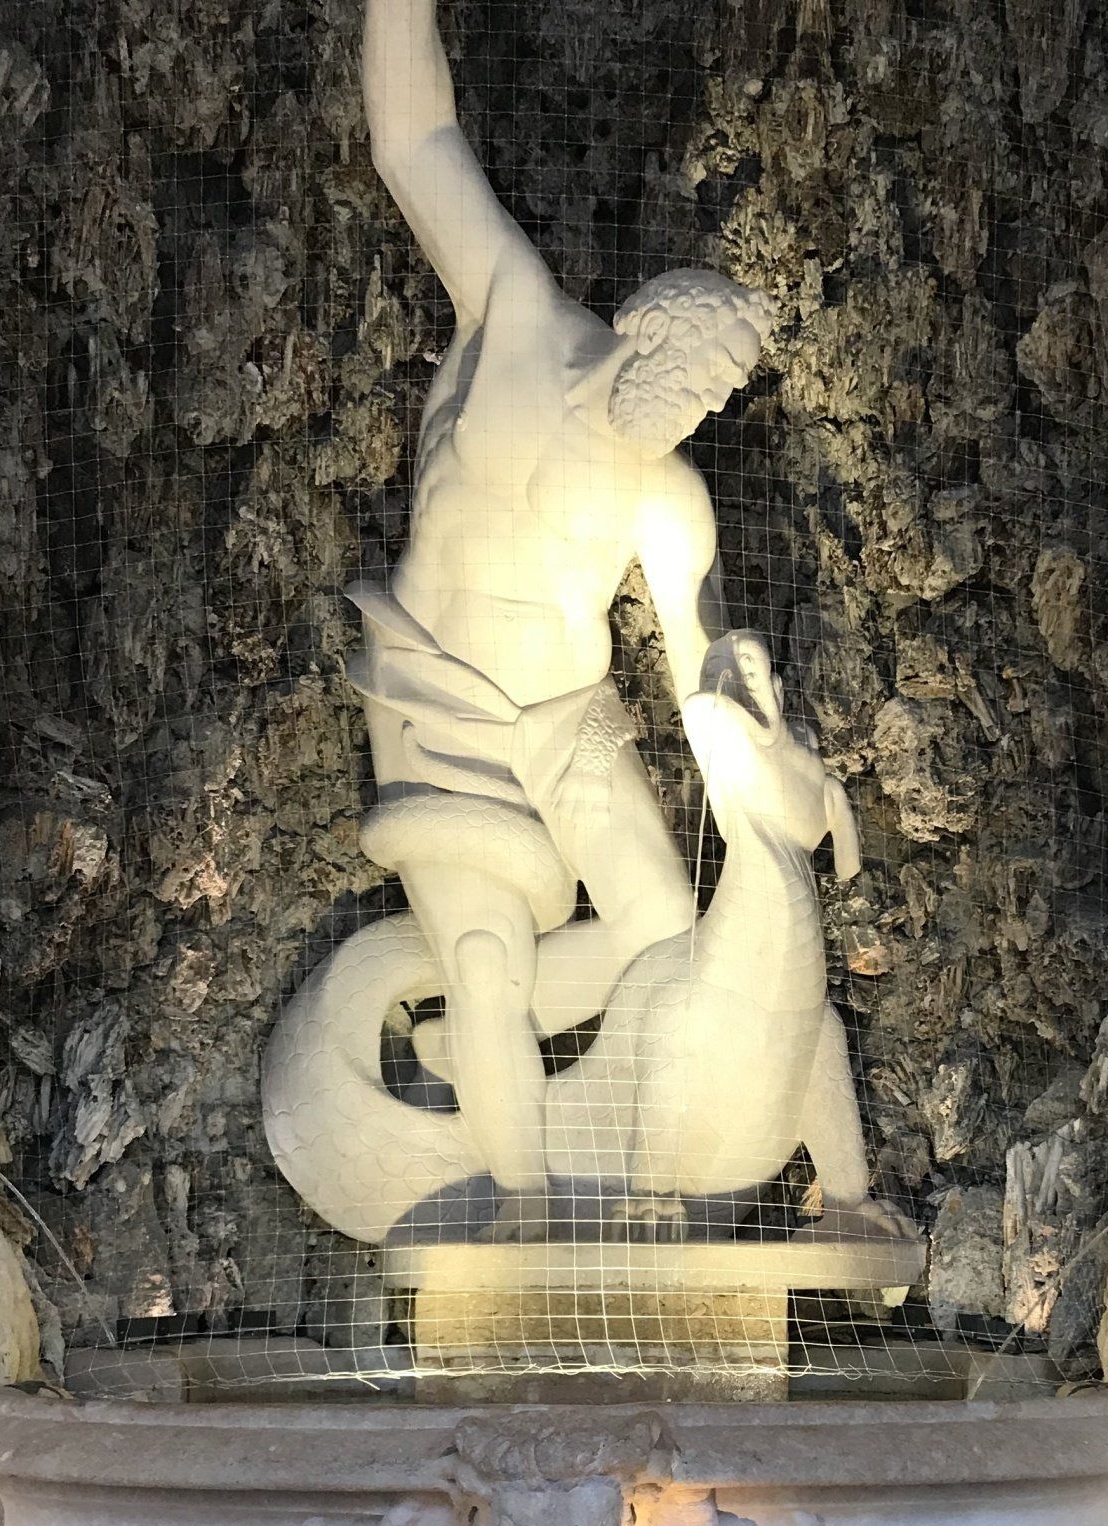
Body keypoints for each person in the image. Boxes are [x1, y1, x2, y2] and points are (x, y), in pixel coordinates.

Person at [355, 0, 778, 1212]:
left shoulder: (669, 497)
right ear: (647, 331)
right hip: (440, 704)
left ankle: (514, 1070)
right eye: (698, 372)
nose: (700, 405)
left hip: (570, 723)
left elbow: (699, 674)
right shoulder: (519, 317)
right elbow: (414, 140)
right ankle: (525, 1201)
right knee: (487, 960)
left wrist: (765, 788)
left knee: (666, 924)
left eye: (718, 395)